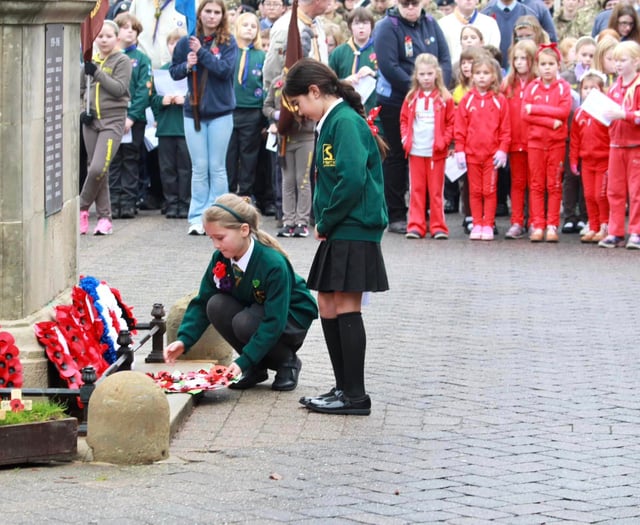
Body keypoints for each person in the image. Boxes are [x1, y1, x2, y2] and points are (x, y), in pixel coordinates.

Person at [282, 58, 389, 415]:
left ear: (315, 91)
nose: (299, 111)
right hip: (340, 226)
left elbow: (352, 179)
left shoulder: (344, 122)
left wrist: (325, 220)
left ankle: (355, 396)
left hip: (352, 225)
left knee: (346, 305)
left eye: (299, 103)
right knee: (327, 302)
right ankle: (342, 387)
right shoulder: (331, 122)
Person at [163, 194, 318, 390]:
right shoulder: (221, 258)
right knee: (215, 305)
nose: (216, 245)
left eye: (220, 238)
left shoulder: (272, 263)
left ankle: (287, 362)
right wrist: (184, 340)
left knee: (244, 323)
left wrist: (242, 361)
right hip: (256, 310)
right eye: (212, 238)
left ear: (244, 230)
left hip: (290, 316)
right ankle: (257, 366)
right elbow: (203, 301)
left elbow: (274, 321)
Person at [373, 0, 452, 234]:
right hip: (398, 100)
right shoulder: (388, 26)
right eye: (405, 3)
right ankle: (397, 213)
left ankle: (427, 215)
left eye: (414, 3)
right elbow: (389, 66)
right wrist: (416, 89)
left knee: (428, 156)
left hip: (431, 100)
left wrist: (437, 86)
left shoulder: (430, 23)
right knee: (397, 156)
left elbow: (445, 59)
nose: (410, 7)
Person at [170, 0, 238, 236]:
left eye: (216, 12)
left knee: (217, 167)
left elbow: (225, 71)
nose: (211, 16)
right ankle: (198, 216)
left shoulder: (228, 42)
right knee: (199, 167)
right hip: (194, 112)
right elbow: (174, 71)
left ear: (222, 16)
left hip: (220, 112)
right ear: (199, 15)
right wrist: (188, 66)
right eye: (207, 11)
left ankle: (220, 216)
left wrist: (202, 53)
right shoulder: (186, 41)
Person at [80, 20, 132, 236]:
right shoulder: (90, 60)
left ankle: (81, 207)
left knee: (97, 168)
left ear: (116, 38)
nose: (103, 40)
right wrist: (82, 109)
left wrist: (98, 73)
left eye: (108, 36)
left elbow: (119, 89)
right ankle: (103, 217)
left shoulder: (122, 60)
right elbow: (82, 89)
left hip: (113, 120)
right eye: (100, 36)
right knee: (98, 169)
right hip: (92, 121)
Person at [455, 53, 510, 241]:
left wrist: (503, 149)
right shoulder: (467, 99)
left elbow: (505, 128)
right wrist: (460, 150)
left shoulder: (499, 100)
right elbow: (460, 128)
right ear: (472, 75)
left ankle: (488, 223)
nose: (481, 77)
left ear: (494, 75)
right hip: (472, 155)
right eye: (478, 73)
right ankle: (477, 223)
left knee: (490, 190)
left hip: (491, 156)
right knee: (475, 191)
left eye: (486, 73)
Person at [400, 53, 455, 239]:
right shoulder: (411, 98)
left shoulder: (444, 98)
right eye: (422, 74)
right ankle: (416, 224)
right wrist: (405, 138)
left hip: (435, 152)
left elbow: (451, 123)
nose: (426, 78)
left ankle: (439, 226)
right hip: (416, 151)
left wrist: (444, 142)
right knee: (416, 190)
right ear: (416, 75)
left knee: (436, 191)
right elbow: (404, 120)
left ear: (437, 74)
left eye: (429, 74)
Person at [522, 43, 572, 242]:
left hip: (556, 144)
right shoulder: (532, 87)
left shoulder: (563, 88)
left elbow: (563, 111)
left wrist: (536, 109)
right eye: (543, 64)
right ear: (537, 66)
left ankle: (552, 224)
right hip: (535, 143)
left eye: (551, 63)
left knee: (554, 184)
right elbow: (524, 114)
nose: (547, 68)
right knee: (536, 184)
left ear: (558, 65)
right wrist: (551, 121)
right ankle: (538, 224)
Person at [109, 12, 152, 220]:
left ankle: (128, 201)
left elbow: (144, 90)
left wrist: (132, 116)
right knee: (114, 159)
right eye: (124, 27)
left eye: (132, 29)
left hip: (133, 120)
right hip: (112, 117)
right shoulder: (110, 56)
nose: (129, 31)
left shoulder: (141, 59)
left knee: (131, 159)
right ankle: (113, 201)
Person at [599, 40, 640, 249]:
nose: (618, 64)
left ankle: (636, 231)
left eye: (623, 60)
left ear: (636, 61)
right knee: (614, 191)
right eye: (615, 60)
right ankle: (615, 232)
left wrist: (624, 115)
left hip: (635, 146)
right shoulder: (614, 87)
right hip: (616, 146)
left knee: (637, 192)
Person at [263, 73, 314, 237]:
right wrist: (277, 115)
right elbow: (267, 106)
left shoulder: (306, 83)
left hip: (304, 137)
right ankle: (288, 220)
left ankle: (302, 221)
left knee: (303, 180)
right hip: (284, 138)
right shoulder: (277, 82)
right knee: (287, 181)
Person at [150, 28, 192, 219]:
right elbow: (152, 99)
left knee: (185, 168)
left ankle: (185, 203)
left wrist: (187, 99)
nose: (174, 46)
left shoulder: (191, 69)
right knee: (167, 169)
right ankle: (171, 202)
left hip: (185, 127)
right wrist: (162, 100)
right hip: (166, 127)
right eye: (171, 43)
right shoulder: (162, 70)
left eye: (179, 43)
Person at [226, 12, 267, 201]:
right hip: (229, 110)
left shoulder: (262, 55)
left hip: (252, 111)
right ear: (237, 27)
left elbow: (265, 84)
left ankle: (245, 194)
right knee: (229, 154)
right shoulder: (229, 52)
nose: (249, 29)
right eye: (245, 25)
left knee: (249, 156)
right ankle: (228, 193)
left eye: (253, 26)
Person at [569, 70, 611, 243]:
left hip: (604, 160)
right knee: (589, 195)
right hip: (587, 161)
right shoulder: (579, 113)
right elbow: (575, 139)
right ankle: (593, 226)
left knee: (601, 195)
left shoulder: (606, 112)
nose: (588, 91)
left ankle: (604, 226)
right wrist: (573, 160)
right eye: (585, 88)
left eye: (593, 88)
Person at [501, 39, 537, 239]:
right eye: (516, 58)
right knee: (517, 182)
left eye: (524, 58)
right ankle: (516, 220)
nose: (520, 62)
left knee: (534, 183)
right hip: (515, 142)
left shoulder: (537, 84)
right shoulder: (508, 85)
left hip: (534, 141)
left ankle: (534, 220)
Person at [263, 0, 331, 92]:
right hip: (294, 94)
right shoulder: (285, 26)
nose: (331, 2)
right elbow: (273, 68)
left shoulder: (317, 23)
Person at [329, 7, 378, 113]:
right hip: (346, 108)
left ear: (371, 26)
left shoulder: (380, 49)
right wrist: (344, 82)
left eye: (365, 23)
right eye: (356, 23)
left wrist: (374, 74)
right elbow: (328, 82)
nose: (361, 27)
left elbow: (389, 76)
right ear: (350, 26)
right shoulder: (338, 53)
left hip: (374, 109)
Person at [129, 0, 188, 68]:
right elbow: (128, 36)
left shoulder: (189, 3)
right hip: (145, 71)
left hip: (179, 71)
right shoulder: (139, 3)